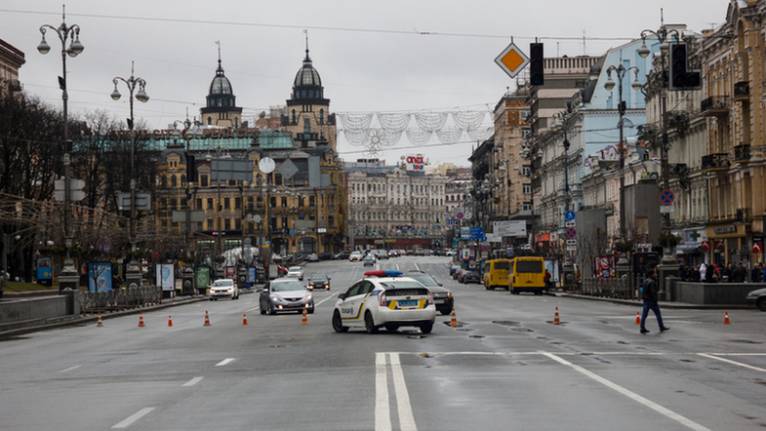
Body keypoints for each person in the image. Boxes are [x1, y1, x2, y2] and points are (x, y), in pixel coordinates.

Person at [640, 268, 669, 334]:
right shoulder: (652, 282)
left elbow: (643, 291)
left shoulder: (645, 281)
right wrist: (655, 300)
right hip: (651, 301)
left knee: (644, 315)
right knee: (658, 314)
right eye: (655, 273)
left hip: (646, 300)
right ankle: (661, 326)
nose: (656, 274)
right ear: (652, 274)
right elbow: (653, 293)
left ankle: (642, 327)